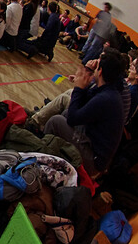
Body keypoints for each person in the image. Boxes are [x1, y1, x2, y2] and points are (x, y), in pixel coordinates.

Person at [44, 49, 125, 178]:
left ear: (101, 71)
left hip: (93, 160)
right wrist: (86, 76)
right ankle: (51, 147)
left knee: (56, 121)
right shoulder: (109, 90)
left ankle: (42, 154)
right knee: (65, 112)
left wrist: (78, 88)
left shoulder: (106, 98)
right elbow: (82, 106)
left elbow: (73, 118)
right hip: (92, 144)